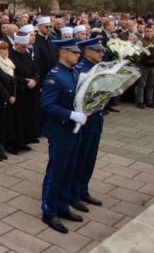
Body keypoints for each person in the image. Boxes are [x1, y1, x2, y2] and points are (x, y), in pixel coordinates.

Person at [39, 38, 87, 234]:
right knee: (56, 172)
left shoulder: (74, 72)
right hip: (60, 130)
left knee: (69, 170)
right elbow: (46, 104)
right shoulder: (55, 75)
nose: (78, 55)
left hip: (74, 130)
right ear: (63, 53)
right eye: (75, 52)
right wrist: (71, 115)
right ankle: (49, 211)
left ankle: (62, 206)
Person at [71, 38, 107, 210]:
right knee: (80, 158)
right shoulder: (79, 70)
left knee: (90, 158)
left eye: (102, 51)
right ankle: (74, 193)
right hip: (84, 121)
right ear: (87, 51)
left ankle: (83, 189)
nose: (101, 54)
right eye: (98, 51)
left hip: (96, 119)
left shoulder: (99, 68)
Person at [8, 30, 41, 151]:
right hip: (19, 92)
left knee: (27, 117)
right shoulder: (10, 56)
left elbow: (36, 70)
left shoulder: (26, 54)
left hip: (30, 92)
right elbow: (11, 75)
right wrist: (26, 82)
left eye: (26, 46)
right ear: (16, 44)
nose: (24, 48)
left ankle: (24, 141)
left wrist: (35, 80)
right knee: (17, 119)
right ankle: (13, 144)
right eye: (22, 47)